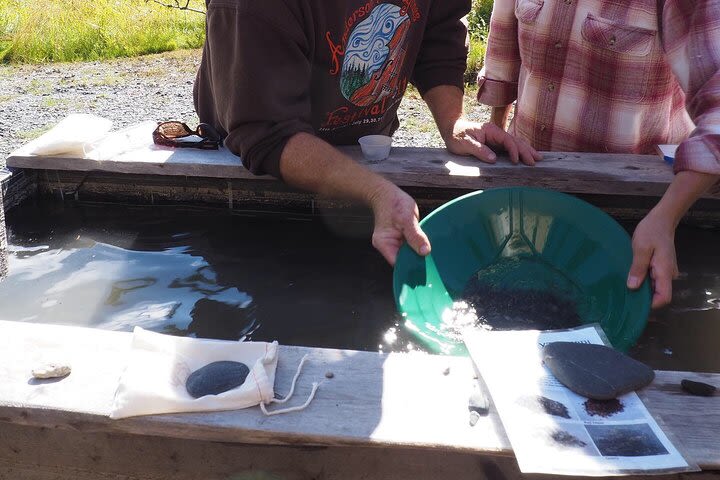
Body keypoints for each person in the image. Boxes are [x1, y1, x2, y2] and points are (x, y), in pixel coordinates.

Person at [194, 0, 541, 266]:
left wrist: (454, 123)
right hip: (256, 177)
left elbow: (438, 32)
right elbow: (266, 132)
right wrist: (377, 193)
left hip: (362, 157)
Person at [477, 0, 720, 308]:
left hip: (631, 215)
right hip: (529, 189)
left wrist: (666, 217)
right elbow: (504, 53)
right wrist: (496, 145)